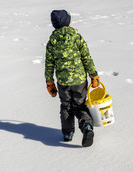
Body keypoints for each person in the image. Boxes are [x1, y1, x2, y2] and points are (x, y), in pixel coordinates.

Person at [44, 10, 100, 147]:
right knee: (79, 105)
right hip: (79, 81)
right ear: (68, 23)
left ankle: (68, 133)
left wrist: (49, 81)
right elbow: (86, 57)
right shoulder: (76, 36)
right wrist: (93, 74)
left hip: (63, 82)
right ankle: (87, 126)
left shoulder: (52, 41)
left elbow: (49, 64)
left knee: (66, 106)